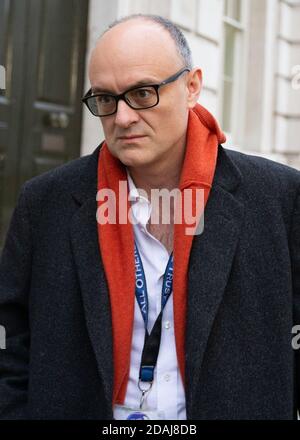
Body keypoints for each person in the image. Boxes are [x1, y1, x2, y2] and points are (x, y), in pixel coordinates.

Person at [0, 13, 299, 420]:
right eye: (105, 99)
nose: (122, 118)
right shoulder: (44, 203)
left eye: (142, 93)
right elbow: (13, 347)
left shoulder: (280, 199)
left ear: (192, 87)